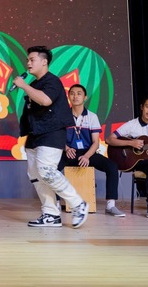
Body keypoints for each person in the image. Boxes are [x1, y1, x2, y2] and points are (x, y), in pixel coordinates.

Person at [13, 45, 89, 229]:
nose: (28, 63)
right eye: (27, 60)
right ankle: (51, 214)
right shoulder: (34, 84)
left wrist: (23, 85)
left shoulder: (52, 81)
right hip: (35, 134)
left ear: (44, 62)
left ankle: (78, 203)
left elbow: (45, 100)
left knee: (46, 170)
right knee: (35, 174)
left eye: (32, 60)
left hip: (51, 132)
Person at [57, 84, 124, 216]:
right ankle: (56, 203)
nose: (75, 96)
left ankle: (110, 205)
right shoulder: (63, 116)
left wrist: (87, 156)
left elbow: (95, 143)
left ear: (85, 97)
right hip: (69, 152)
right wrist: (66, 148)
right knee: (52, 169)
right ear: (68, 96)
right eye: (72, 93)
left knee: (112, 166)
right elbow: (57, 138)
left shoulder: (92, 116)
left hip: (88, 152)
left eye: (79, 93)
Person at [105, 94, 148, 217]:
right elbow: (109, 139)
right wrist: (131, 143)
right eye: (147, 106)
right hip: (131, 161)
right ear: (142, 107)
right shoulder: (132, 124)